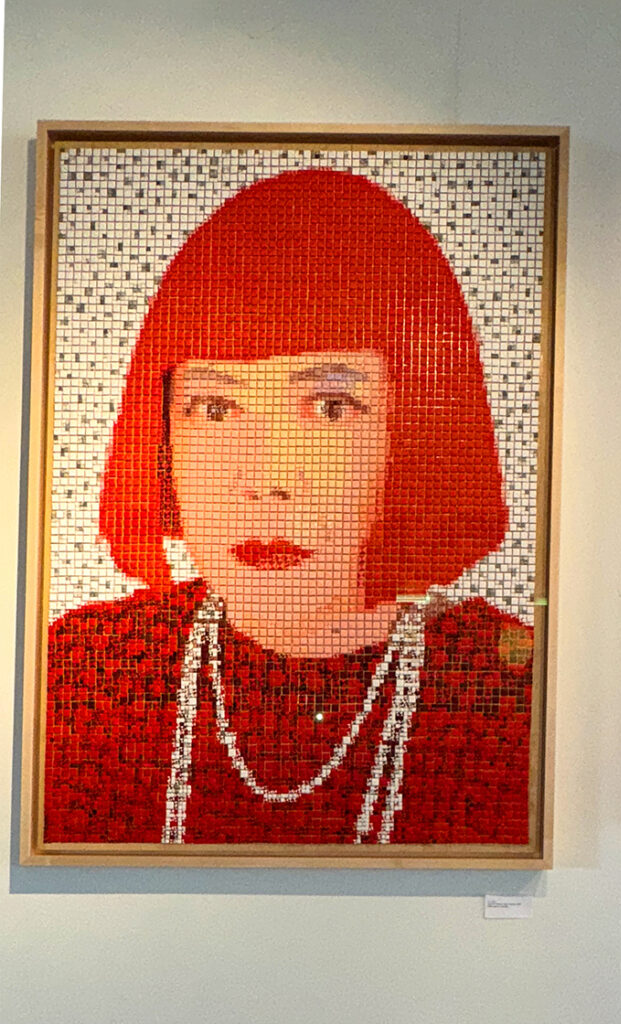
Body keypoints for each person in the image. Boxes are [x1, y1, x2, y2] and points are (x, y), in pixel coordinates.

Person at [42, 168, 535, 846]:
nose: (268, 477)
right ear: (160, 440)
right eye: (215, 408)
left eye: (331, 408)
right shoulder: (86, 671)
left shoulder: (508, 691)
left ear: (415, 434)